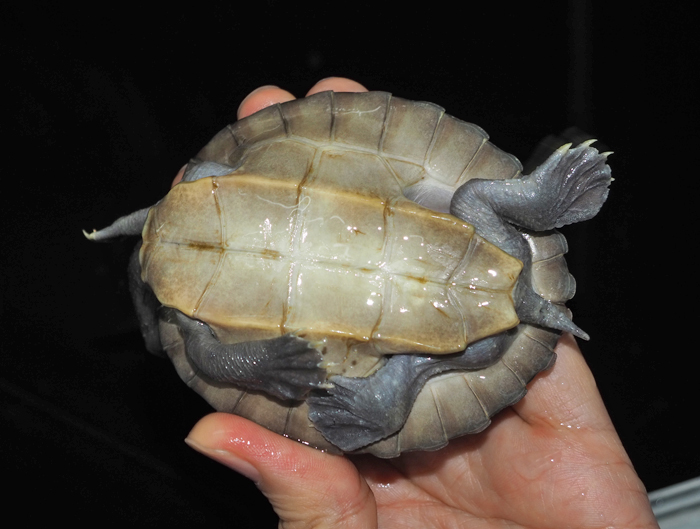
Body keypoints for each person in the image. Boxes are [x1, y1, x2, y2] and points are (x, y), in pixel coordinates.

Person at [181, 78, 659, 528]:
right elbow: (207, 175)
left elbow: (212, 355)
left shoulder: (196, 324)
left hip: (473, 293)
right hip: (475, 282)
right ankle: (532, 203)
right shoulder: (197, 309)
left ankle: (391, 398)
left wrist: (265, 365)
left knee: (404, 370)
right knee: (467, 216)